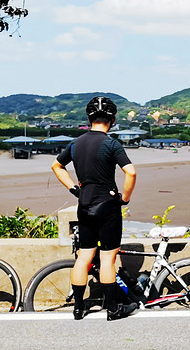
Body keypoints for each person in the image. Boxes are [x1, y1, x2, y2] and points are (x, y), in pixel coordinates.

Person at [51, 96, 139, 321]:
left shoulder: (76, 143)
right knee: (108, 258)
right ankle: (113, 309)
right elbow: (131, 172)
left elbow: (57, 166)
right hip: (107, 207)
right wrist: (124, 199)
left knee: (84, 256)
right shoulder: (111, 144)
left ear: (89, 118)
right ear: (113, 119)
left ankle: (78, 308)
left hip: (84, 205)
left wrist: (74, 189)